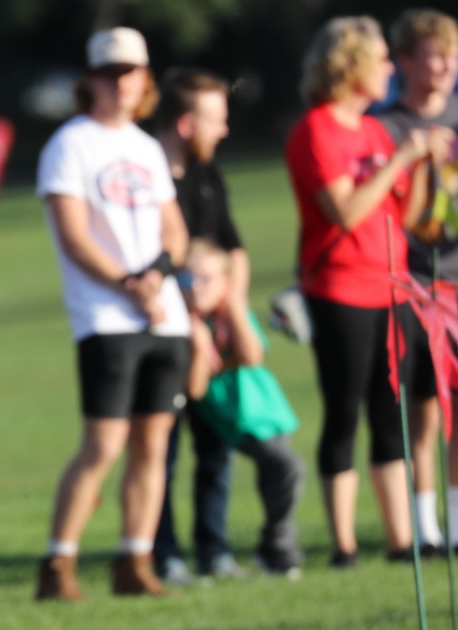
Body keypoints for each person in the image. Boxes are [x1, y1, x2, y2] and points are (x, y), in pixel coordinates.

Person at [285, 16, 452, 567]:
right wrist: (403, 159)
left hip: (393, 289)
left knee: (392, 416)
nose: (388, 69)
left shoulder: (376, 132)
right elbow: (347, 212)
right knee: (344, 412)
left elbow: (403, 217)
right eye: (380, 59)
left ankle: (403, 540)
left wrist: (423, 165)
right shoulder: (317, 129)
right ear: (350, 64)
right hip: (339, 290)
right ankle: (343, 544)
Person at [34, 28, 191, 600]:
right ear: (93, 80)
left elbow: (173, 229)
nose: (123, 82)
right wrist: (128, 284)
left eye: (133, 72)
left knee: (155, 444)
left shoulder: (147, 146)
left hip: (162, 316)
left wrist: (156, 277)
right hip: (106, 317)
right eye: (112, 72)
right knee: (103, 445)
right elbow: (74, 235)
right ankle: (59, 562)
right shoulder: (70, 145)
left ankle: (135, 558)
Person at [151, 68, 247, 584]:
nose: (224, 130)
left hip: (217, 332)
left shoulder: (209, 174)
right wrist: (193, 326)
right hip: (167, 331)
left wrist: (232, 311)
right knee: (161, 450)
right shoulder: (148, 176)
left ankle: (215, 549)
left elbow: (235, 249)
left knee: (216, 447)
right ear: (187, 123)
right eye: (217, 119)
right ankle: (163, 555)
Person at [378, 8, 458, 549]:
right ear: (405, 61)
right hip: (410, 282)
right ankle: (423, 527)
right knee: (423, 408)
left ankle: (456, 522)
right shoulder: (386, 127)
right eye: (434, 53)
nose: (446, 64)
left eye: (452, 53)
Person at [182, 240, 305, 578]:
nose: (196, 287)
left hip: (270, 413)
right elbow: (193, 389)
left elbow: (253, 354)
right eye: (187, 280)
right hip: (236, 421)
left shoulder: (232, 315)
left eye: (206, 279)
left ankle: (278, 549)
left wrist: (235, 306)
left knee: (277, 481)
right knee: (288, 469)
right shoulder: (186, 328)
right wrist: (197, 345)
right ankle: (277, 545)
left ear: (225, 282)